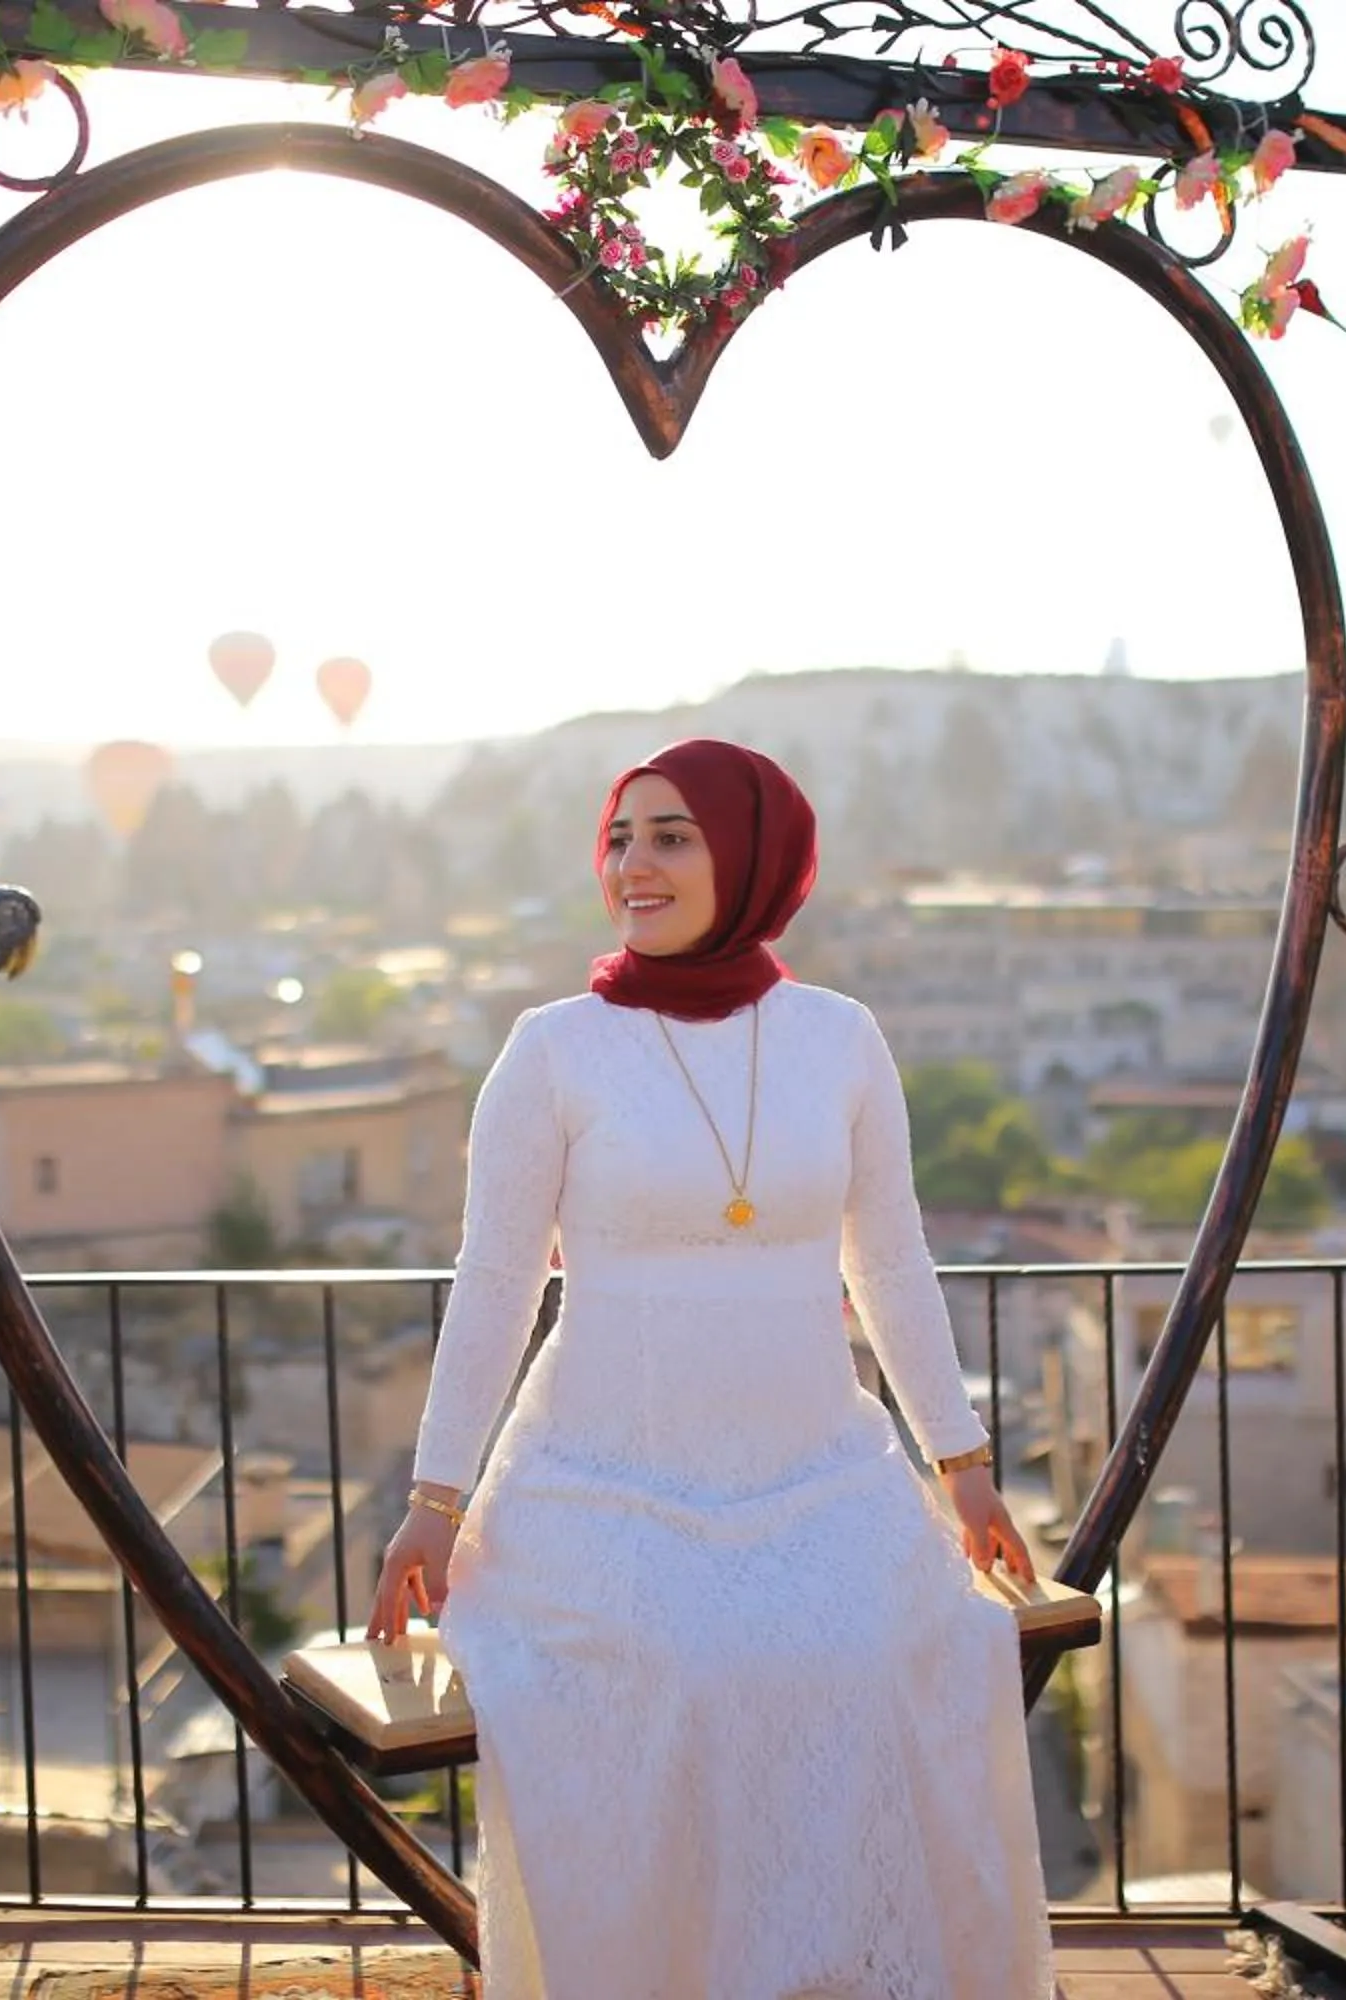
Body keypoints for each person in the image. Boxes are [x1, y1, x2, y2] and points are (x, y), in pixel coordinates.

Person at [366, 738, 1055, 1998]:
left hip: (820, 1476)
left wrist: (960, 1461)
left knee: (887, 1658)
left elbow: (890, 1260)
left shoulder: (841, 1037)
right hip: (604, 1486)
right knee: (680, 1675)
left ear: (751, 853)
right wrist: (436, 1495)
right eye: (620, 836)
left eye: (673, 835)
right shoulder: (552, 1050)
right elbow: (496, 1280)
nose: (634, 863)